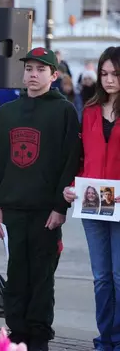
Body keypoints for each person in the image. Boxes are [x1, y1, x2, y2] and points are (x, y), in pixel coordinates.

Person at [0, 47, 81, 351]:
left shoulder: (64, 111)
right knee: (16, 274)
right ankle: (17, 332)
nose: (33, 75)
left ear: (54, 75)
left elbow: (70, 160)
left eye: (41, 69)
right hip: (12, 207)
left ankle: (39, 335)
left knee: (41, 277)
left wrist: (60, 207)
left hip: (45, 211)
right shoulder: (6, 112)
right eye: (29, 69)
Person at [62, 46, 120, 351]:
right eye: (104, 73)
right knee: (101, 278)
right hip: (93, 205)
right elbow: (81, 158)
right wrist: (72, 186)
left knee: (119, 277)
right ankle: (105, 341)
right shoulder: (90, 110)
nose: (109, 80)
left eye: (115, 74)